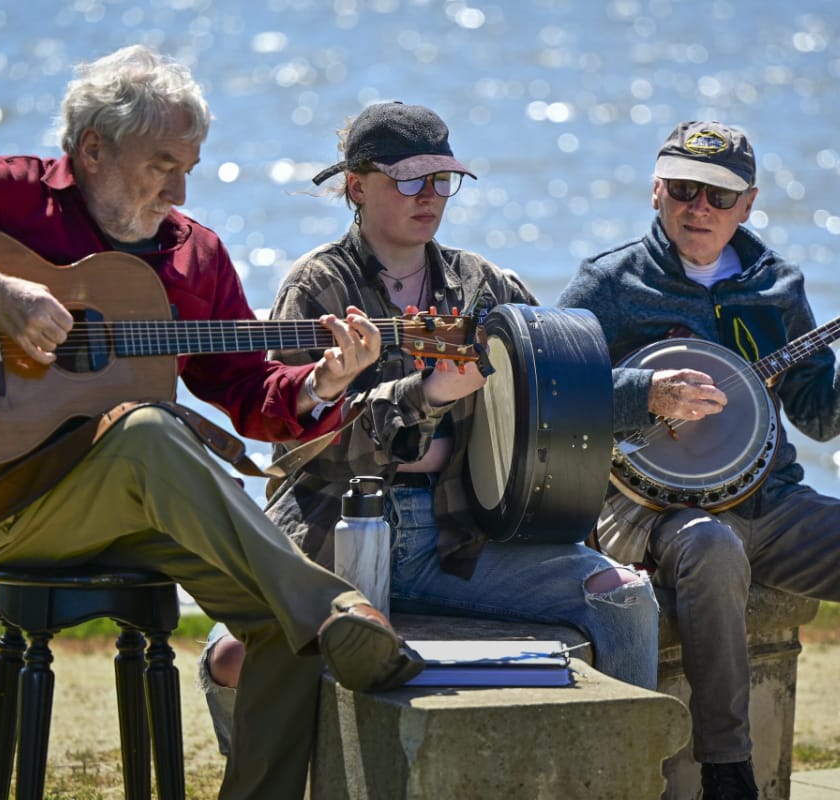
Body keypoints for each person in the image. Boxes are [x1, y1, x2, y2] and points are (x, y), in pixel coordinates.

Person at [0, 45, 423, 800]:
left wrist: (321, 382)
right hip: (10, 504)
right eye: (162, 162)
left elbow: (248, 393)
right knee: (150, 430)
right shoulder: (17, 198)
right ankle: (333, 605)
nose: (180, 188)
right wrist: (0, 297)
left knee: (281, 626)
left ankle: (311, 622)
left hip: (140, 506)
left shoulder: (196, 254)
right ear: (92, 150)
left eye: (191, 164)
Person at [197, 101, 660, 746]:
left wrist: (653, 394)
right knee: (232, 659)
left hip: (460, 536)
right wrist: (425, 393)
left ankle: (631, 771)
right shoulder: (318, 287)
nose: (431, 196)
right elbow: (302, 446)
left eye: (442, 180)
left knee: (622, 594)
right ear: (357, 187)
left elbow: (561, 386)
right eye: (410, 180)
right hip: (337, 523)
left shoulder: (482, 284)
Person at [557, 120, 840, 800]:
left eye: (720, 196)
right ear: (656, 190)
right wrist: (646, 395)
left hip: (769, 504)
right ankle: (728, 773)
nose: (700, 208)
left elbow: (822, 413)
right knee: (713, 548)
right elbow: (553, 390)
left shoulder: (777, 286)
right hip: (650, 509)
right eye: (684, 189)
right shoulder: (610, 283)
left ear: (748, 203)